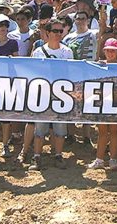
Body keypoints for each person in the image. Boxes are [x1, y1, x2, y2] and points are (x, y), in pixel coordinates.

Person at [29, 19, 73, 171]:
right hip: (43, 95)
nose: (58, 34)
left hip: (61, 95)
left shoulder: (67, 52)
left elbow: (70, 74)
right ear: (47, 33)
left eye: (61, 31)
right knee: (40, 129)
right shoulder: (38, 52)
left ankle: (58, 155)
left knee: (60, 129)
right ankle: (37, 157)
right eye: (55, 31)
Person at [85, 38, 117, 171]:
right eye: (108, 51)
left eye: (113, 51)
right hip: (102, 102)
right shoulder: (99, 66)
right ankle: (99, 159)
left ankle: (113, 159)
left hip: (116, 102)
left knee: (113, 131)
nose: (110, 53)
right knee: (102, 132)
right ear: (104, 51)